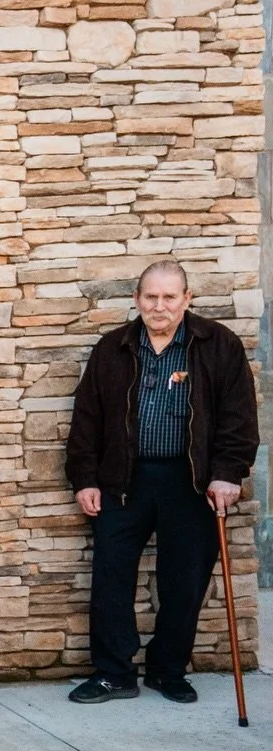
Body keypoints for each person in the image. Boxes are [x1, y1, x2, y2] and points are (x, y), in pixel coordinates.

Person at [66, 260, 258, 705]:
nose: (159, 306)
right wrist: (85, 479)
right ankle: (114, 673)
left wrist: (228, 474)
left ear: (187, 299)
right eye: (151, 297)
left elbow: (239, 417)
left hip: (192, 482)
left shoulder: (218, 345)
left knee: (185, 579)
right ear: (137, 299)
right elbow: (87, 419)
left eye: (170, 297)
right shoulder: (112, 347)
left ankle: (168, 670)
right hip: (123, 480)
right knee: (111, 577)